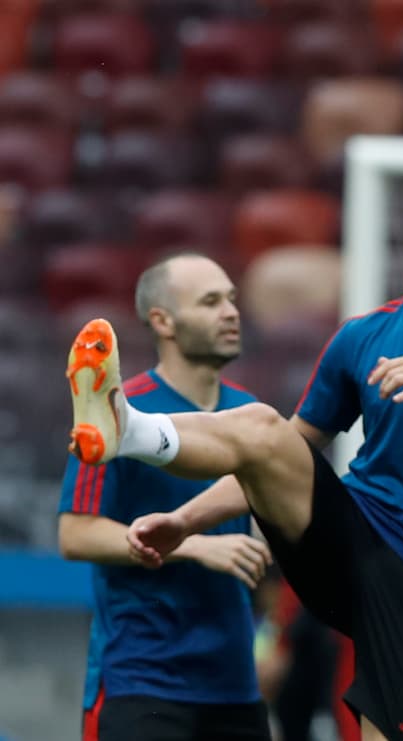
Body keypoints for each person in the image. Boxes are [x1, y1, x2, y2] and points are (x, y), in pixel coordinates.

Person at [71, 155, 403, 741]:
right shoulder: (362, 335)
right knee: (265, 426)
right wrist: (184, 522)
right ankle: (128, 427)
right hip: (353, 541)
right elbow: (276, 451)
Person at [58, 253, 272, 740]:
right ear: (163, 321)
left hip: (235, 685)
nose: (231, 312)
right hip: (141, 681)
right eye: (210, 302)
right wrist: (193, 545)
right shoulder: (117, 411)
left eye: (232, 299)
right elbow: (75, 534)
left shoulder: (250, 413)